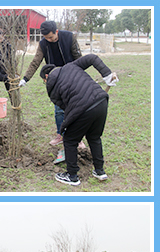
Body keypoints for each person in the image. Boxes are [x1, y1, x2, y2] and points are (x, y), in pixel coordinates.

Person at [40, 53, 117, 186]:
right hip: (101, 100)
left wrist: (66, 128)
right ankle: (100, 171)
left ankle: (72, 176)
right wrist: (107, 74)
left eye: (44, 81)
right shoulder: (71, 66)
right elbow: (92, 58)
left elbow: (67, 109)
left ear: (46, 77)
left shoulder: (51, 90)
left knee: (70, 140)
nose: (45, 83)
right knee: (94, 137)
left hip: (83, 108)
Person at [19, 20, 83, 161]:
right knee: (59, 110)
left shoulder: (69, 37)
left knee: (75, 109)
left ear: (56, 31)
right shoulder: (43, 44)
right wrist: (25, 78)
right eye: (46, 38)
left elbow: (79, 58)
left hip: (72, 77)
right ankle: (60, 134)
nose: (49, 40)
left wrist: (81, 77)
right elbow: (36, 61)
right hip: (56, 80)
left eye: (51, 37)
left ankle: (78, 138)